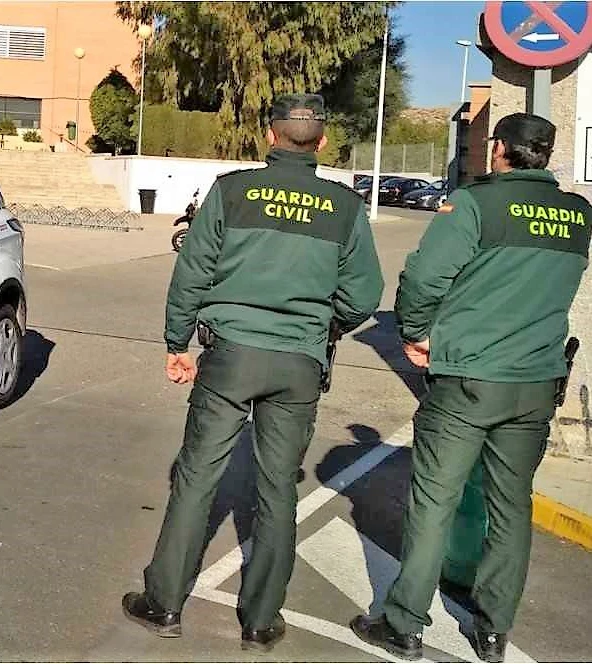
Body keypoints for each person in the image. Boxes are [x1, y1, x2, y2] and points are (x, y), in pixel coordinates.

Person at [121, 94, 384, 652]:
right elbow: (363, 296)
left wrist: (177, 340)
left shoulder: (231, 191)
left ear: (270, 136)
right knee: (278, 487)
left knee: (196, 478)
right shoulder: (344, 207)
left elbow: (192, 270)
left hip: (230, 355)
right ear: (324, 142)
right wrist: (321, 327)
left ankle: (164, 603)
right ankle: (261, 621)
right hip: (299, 363)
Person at [350, 112, 592, 663]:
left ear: (500, 150)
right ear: (548, 154)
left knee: (434, 501)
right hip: (535, 383)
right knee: (511, 509)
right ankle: (492, 630)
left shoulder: (477, 204)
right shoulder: (579, 215)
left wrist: (413, 334)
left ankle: (404, 623)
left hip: (467, 380)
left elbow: (424, 278)